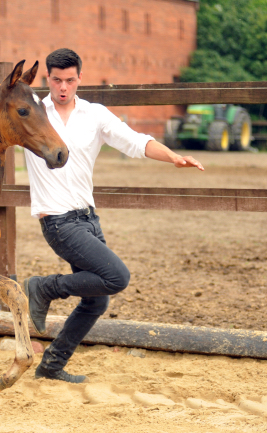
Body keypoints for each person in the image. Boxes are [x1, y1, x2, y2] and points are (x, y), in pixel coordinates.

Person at [22, 48, 204, 383]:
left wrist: (173, 156)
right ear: (48, 78)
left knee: (96, 303)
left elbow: (136, 142)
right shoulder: (31, 111)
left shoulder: (94, 115)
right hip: (58, 223)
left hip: (88, 220)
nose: (63, 87)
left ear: (80, 79)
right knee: (117, 277)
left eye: (70, 80)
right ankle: (44, 288)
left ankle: (50, 367)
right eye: (57, 80)